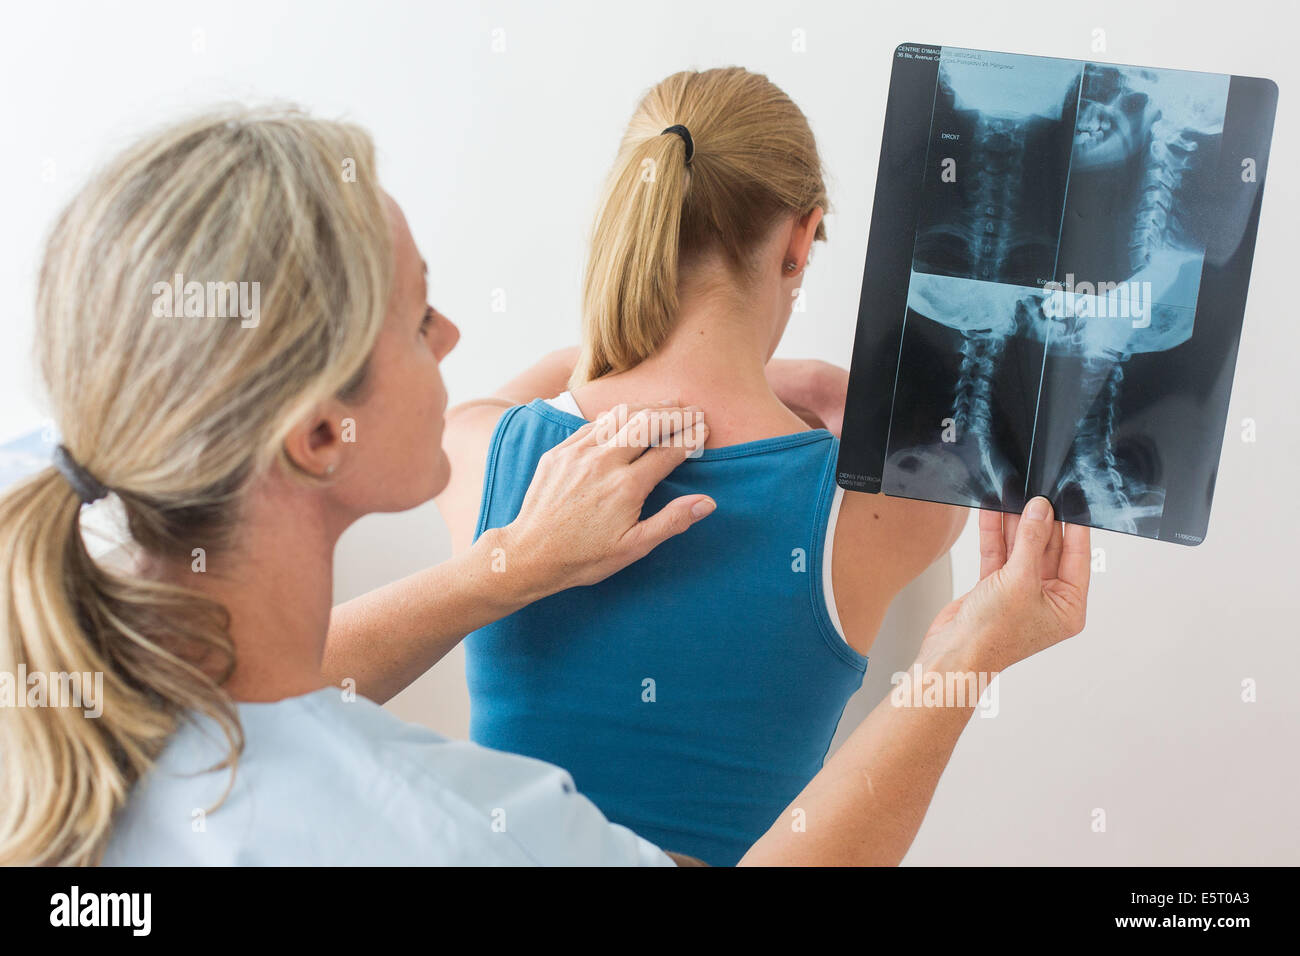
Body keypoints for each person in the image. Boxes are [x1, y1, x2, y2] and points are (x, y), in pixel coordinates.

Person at [0, 107, 1089, 867]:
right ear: (322, 430)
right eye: (421, 317)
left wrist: (504, 562)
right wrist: (958, 664)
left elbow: (269, 701)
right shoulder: (462, 832)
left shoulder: (83, 682)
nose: (456, 336)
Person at [433, 67, 968, 864]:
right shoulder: (891, 510)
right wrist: (813, 384)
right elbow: (944, 440)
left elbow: (495, 405)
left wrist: (624, 360)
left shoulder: (482, 456)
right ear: (800, 239)